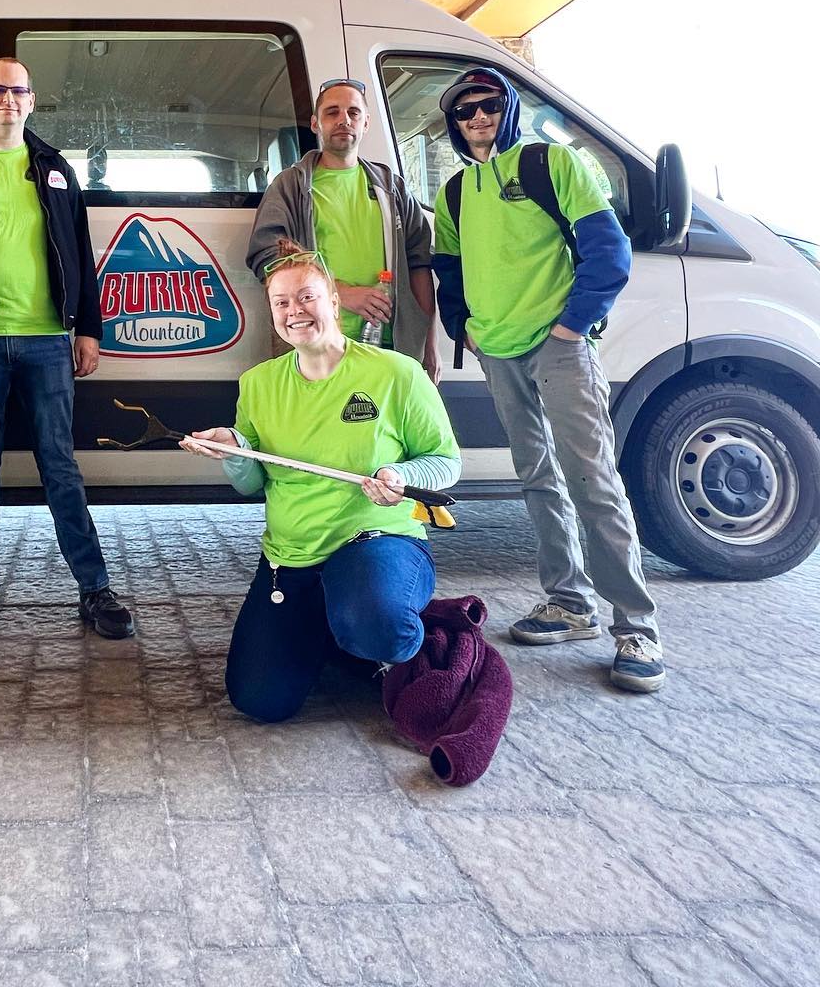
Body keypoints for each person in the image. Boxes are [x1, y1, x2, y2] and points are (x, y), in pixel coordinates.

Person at [432, 65, 665, 692]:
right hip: (498, 353)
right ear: (453, 125)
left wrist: (572, 325)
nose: (477, 117)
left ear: (505, 107)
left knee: (593, 481)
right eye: (464, 111)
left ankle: (636, 626)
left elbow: (608, 253)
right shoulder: (456, 192)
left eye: (487, 105)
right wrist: (465, 327)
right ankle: (569, 602)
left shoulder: (550, 165)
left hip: (557, 349)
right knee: (538, 477)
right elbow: (446, 268)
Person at [0, 56, 135, 642]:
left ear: (31, 101)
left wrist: (89, 327)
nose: (8, 99)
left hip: (46, 341)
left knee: (60, 464)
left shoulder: (55, 167)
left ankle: (94, 587)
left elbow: (80, 253)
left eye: (19, 91)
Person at [183, 254, 460, 723]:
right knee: (260, 700)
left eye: (307, 296)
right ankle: (336, 632)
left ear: (334, 301)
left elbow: (447, 462)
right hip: (290, 557)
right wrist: (234, 451)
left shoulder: (396, 373)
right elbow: (254, 483)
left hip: (374, 540)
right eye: (281, 302)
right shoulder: (257, 384)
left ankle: (411, 633)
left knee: (379, 628)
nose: (295, 311)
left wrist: (401, 478)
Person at [246, 78, 441, 380]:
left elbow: (419, 265)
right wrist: (340, 293)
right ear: (315, 124)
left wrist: (429, 344)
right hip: (317, 346)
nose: (343, 120)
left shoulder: (392, 188)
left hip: (387, 346)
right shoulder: (290, 186)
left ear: (365, 124)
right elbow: (267, 258)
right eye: (332, 112)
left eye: (353, 112)